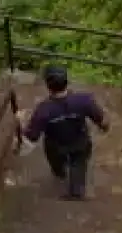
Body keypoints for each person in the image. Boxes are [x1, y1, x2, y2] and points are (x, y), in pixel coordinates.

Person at [18, 66, 109, 200]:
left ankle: (59, 172)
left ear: (48, 86)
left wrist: (20, 123)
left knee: (56, 162)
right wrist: (104, 128)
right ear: (67, 82)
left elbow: (32, 137)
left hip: (55, 145)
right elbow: (102, 121)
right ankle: (76, 192)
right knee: (78, 164)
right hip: (80, 142)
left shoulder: (43, 110)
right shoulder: (84, 100)